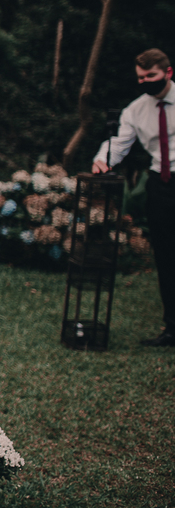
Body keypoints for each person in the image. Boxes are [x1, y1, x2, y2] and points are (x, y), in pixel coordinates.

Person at [93, 47, 175, 347]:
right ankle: (172, 328)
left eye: (150, 76)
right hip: (161, 184)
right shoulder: (135, 110)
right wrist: (103, 160)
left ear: (168, 73)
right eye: (140, 78)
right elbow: (118, 143)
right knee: (166, 256)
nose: (145, 82)